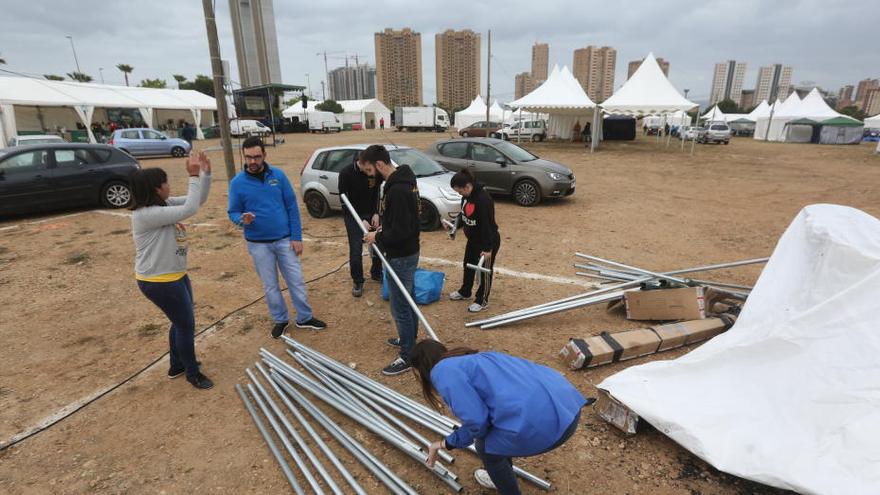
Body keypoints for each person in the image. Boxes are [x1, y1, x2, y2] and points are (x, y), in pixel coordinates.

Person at [410, 339, 588, 494]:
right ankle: (500, 473)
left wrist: (444, 443)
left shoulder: (442, 372)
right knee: (493, 435)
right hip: (568, 404)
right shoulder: (474, 358)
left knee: (485, 446)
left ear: (421, 368)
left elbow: (477, 422)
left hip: (552, 427)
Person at [227, 136, 327, 339]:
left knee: (296, 280)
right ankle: (280, 319)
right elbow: (233, 211)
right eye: (249, 158)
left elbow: (292, 206)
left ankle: (305, 317)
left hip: (284, 240)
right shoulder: (237, 183)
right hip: (258, 245)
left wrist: (297, 237)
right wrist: (241, 219)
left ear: (264, 155)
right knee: (271, 285)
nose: (253, 162)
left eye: (257, 157)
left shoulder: (278, 176)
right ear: (244, 157)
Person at [130, 151, 214, 390]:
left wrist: (205, 174)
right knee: (185, 325)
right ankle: (192, 373)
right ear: (156, 189)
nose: (169, 185)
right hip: (159, 281)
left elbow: (197, 201)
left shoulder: (162, 205)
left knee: (180, 322)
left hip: (175, 275)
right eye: (165, 182)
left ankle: (177, 364)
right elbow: (190, 209)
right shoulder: (146, 215)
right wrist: (193, 175)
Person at [362, 144, 420, 376]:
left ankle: (408, 355)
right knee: (409, 299)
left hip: (401, 255)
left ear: (379, 165)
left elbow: (401, 231)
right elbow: (399, 221)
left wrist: (378, 236)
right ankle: (409, 340)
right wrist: (382, 226)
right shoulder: (403, 181)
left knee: (401, 307)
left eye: (368, 171)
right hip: (407, 252)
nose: (369, 176)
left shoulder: (397, 190)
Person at [447, 169, 500, 313]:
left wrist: (488, 249)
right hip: (473, 240)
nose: (459, 194)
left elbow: (487, 225)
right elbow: (464, 214)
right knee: (468, 265)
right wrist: (454, 225)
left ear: (467, 186)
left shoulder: (483, 199)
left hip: (487, 241)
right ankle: (465, 291)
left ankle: (482, 300)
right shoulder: (466, 197)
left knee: (484, 271)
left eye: (459, 191)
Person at [338, 152, 383, 297]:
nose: (371, 171)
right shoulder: (346, 173)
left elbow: (376, 193)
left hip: (371, 213)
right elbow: (344, 201)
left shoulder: (374, 172)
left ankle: (376, 272)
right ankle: (358, 280)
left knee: (378, 243)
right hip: (352, 215)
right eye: (369, 168)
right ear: (362, 163)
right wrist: (359, 219)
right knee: (356, 249)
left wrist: (376, 212)